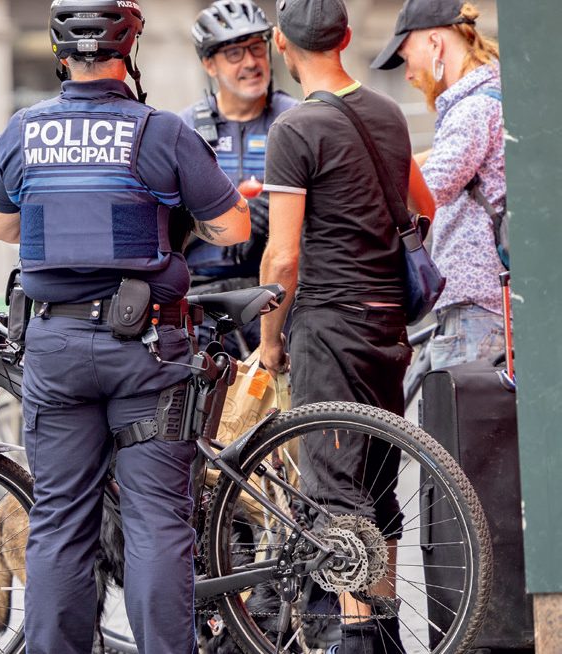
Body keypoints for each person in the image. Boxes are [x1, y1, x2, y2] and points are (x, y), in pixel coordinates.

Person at [0, 1, 251, 650]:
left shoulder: (24, 130)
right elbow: (233, 229)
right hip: (148, 351)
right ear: (127, 51)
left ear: (59, 55)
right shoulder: (159, 132)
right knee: (157, 522)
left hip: (56, 349)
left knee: (58, 522)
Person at [258, 0, 435, 651]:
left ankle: (356, 639)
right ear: (347, 37)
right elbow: (424, 204)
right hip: (388, 322)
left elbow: (281, 256)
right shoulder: (386, 113)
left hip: (328, 324)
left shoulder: (294, 129)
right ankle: (383, 630)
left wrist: (269, 338)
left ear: (280, 43)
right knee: (378, 484)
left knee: (335, 491)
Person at [372, 0, 506, 371]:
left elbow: (424, 195)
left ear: (435, 43)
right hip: (487, 307)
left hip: (479, 312)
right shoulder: (489, 98)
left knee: (465, 429)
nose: (408, 74)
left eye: (406, 56)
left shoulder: (473, 110)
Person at [180, 0, 299, 354]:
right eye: (234, 53)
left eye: (255, 49)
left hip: (279, 297)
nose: (250, 63)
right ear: (209, 64)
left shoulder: (296, 119)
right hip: (203, 299)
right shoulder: (184, 129)